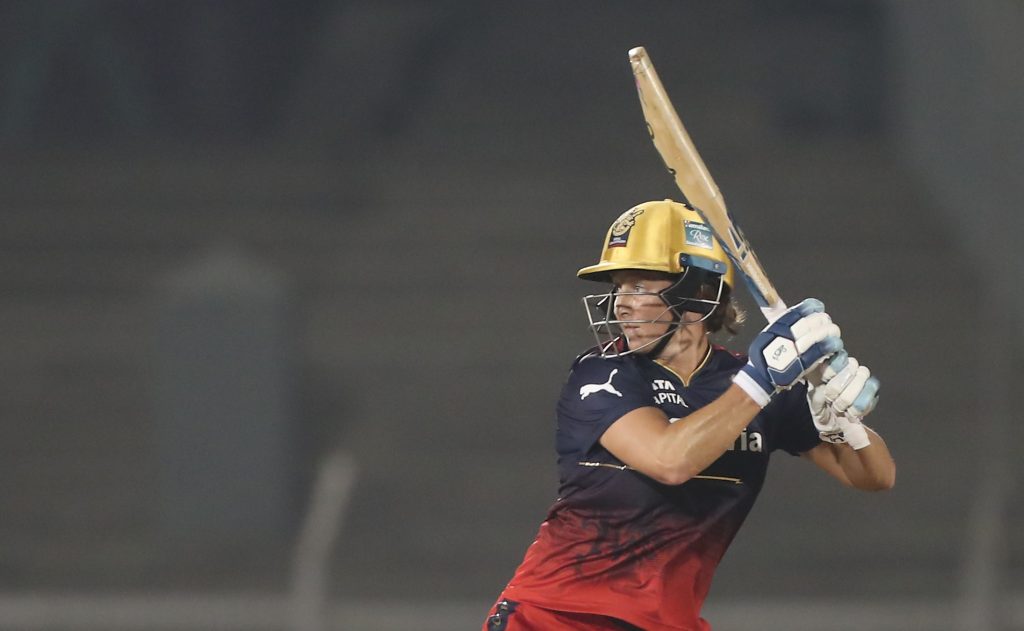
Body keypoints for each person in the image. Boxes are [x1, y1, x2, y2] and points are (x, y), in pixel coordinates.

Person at [483, 199, 895, 631]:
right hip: (558, 616)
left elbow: (875, 476)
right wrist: (761, 382)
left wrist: (841, 419)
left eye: (639, 285)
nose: (621, 304)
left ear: (698, 294)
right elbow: (670, 461)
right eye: (618, 287)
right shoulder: (601, 372)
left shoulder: (752, 385)